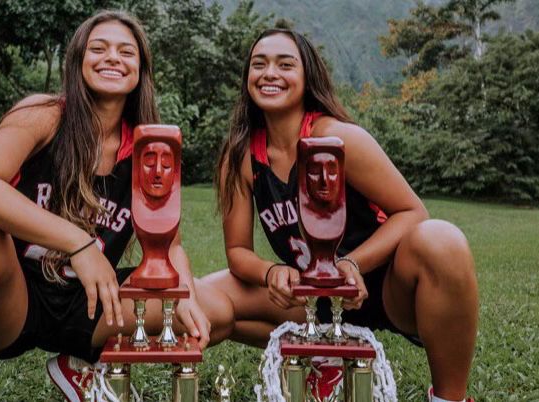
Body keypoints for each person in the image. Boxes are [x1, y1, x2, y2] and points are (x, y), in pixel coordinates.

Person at [0, 11, 233, 402]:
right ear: (78, 61)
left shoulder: (149, 148)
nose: (112, 57)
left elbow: (171, 247)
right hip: (17, 299)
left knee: (213, 305)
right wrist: (78, 242)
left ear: (141, 70)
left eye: (126, 51)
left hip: (94, 305)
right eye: (98, 48)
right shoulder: (44, 115)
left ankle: (81, 367)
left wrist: (188, 300)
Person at [204, 27, 478, 402]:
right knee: (199, 296)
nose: (269, 73)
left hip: (382, 290)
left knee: (442, 240)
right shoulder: (240, 155)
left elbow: (412, 212)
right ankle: (321, 354)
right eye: (259, 64)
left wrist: (351, 264)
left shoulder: (338, 138)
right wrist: (270, 272)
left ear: (307, 77)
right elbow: (237, 251)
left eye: (285, 64)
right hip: (310, 296)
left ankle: (449, 398)